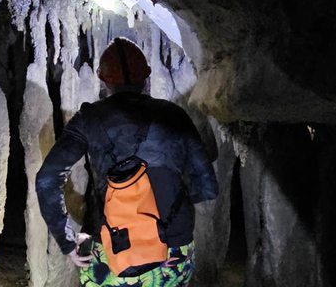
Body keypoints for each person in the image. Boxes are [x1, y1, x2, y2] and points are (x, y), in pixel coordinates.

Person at [36, 37, 218, 287]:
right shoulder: (174, 115)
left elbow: (47, 179)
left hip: (111, 247)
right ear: (147, 78)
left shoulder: (88, 119)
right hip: (172, 247)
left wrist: (66, 241)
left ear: (103, 81)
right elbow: (207, 185)